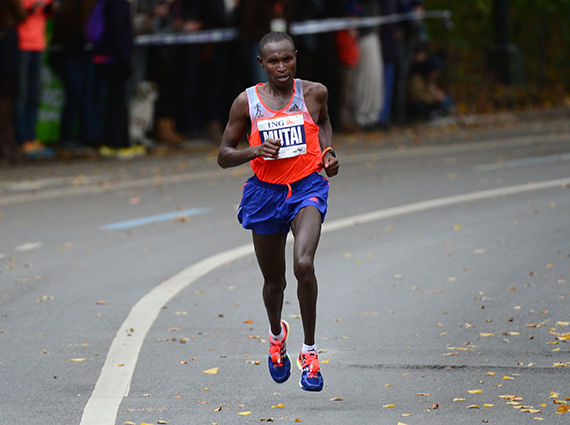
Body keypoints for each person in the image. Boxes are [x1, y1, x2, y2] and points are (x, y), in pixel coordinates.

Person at [218, 32, 339, 392]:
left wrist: (328, 152)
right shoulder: (247, 102)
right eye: (274, 61)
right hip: (265, 195)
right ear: (261, 63)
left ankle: (310, 353)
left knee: (304, 265)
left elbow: (324, 124)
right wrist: (254, 152)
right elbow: (224, 154)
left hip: (306, 188)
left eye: (287, 59)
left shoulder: (314, 93)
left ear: (296, 57)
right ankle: (276, 335)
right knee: (275, 282)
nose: (282, 67)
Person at [15, 0, 55, 158]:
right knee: (21, 95)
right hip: (21, 44)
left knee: (35, 95)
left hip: (39, 44)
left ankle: (31, 137)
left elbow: (50, 14)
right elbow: (15, 15)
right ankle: (22, 139)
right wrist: (32, 8)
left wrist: (50, 8)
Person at [0, 0, 26, 164]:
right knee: (7, 96)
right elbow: (21, 15)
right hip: (6, 39)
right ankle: (6, 144)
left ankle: (6, 144)